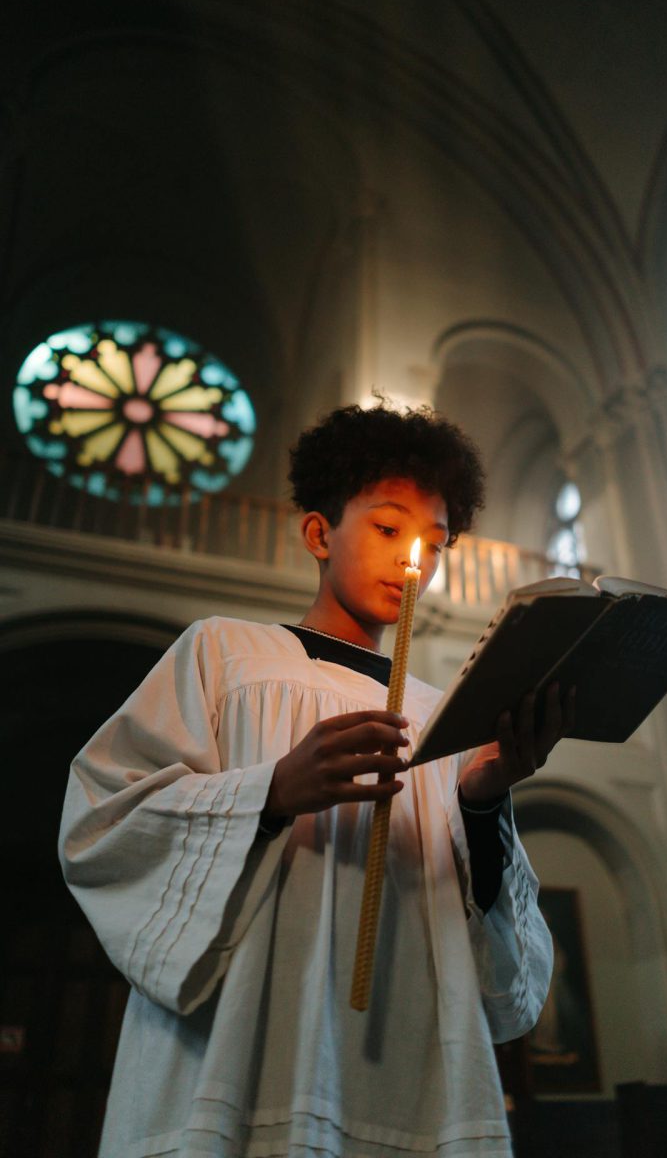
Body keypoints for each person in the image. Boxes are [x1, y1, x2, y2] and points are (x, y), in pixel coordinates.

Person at [59, 402, 570, 1158]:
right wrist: (266, 792)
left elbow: (503, 966)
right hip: (243, 1051)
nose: (416, 563)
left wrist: (481, 798)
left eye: (435, 543)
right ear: (320, 533)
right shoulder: (227, 656)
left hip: (402, 1066)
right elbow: (102, 822)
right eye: (390, 529)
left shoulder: (446, 718)